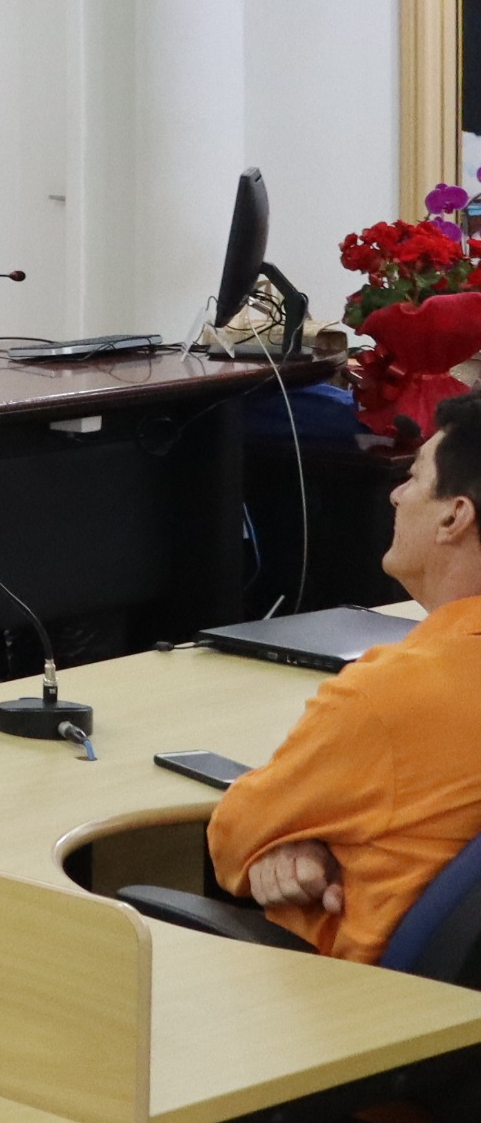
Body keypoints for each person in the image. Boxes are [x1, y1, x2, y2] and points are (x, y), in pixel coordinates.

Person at [206, 390, 481, 961]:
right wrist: (310, 839)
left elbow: (235, 831)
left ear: (454, 516)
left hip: (352, 1000)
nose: (396, 494)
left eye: (414, 477)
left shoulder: (391, 697)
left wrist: (294, 840)